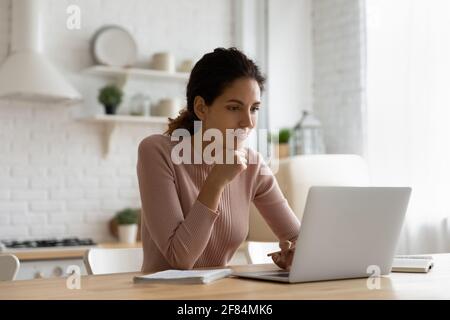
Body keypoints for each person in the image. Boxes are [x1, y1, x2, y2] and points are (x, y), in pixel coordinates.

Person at [137, 47, 300, 273]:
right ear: (201, 108)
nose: (248, 122)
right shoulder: (157, 152)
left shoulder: (252, 164)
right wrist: (216, 181)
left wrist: (296, 256)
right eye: (234, 108)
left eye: (254, 109)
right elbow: (180, 259)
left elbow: (297, 237)